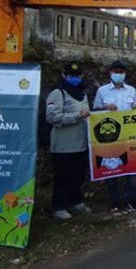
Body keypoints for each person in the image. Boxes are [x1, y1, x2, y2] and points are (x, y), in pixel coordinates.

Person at [92, 60, 136, 212]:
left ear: (125, 74)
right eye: (116, 72)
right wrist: (105, 108)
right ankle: (114, 201)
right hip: (110, 137)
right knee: (111, 168)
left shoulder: (131, 90)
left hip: (129, 135)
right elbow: (95, 112)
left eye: (121, 72)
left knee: (132, 170)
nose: (118, 74)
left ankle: (130, 199)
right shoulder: (102, 91)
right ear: (110, 73)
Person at [45, 61, 92, 220]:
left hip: (81, 143)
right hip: (63, 145)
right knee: (62, 177)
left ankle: (76, 202)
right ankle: (59, 207)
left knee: (78, 175)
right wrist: (77, 116)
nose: (75, 78)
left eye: (78, 75)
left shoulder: (83, 94)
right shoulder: (58, 93)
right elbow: (52, 117)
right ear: (64, 75)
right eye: (71, 75)